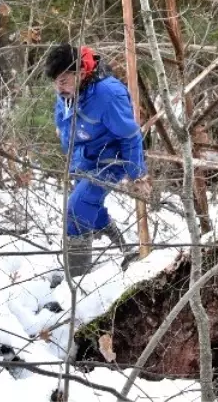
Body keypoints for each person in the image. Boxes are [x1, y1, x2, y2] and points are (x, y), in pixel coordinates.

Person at [44, 43, 147, 278]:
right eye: (55, 80)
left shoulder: (107, 94)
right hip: (85, 158)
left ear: (81, 73)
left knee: (76, 209)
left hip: (112, 159)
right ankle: (127, 249)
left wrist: (137, 174)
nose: (59, 86)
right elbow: (63, 121)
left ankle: (77, 278)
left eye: (64, 79)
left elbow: (130, 135)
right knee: (90, 205)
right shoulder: (67, 93)